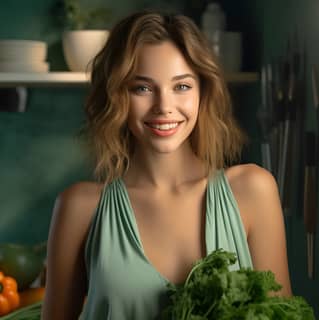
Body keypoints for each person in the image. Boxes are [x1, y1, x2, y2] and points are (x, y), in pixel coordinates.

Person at [41, 10, 292, 320]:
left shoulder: (253, 190)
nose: (164, 107)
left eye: (182, 86)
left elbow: (283, 313)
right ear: (116, 95)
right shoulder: (79, 207)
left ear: (204, 93)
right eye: (142, 88)